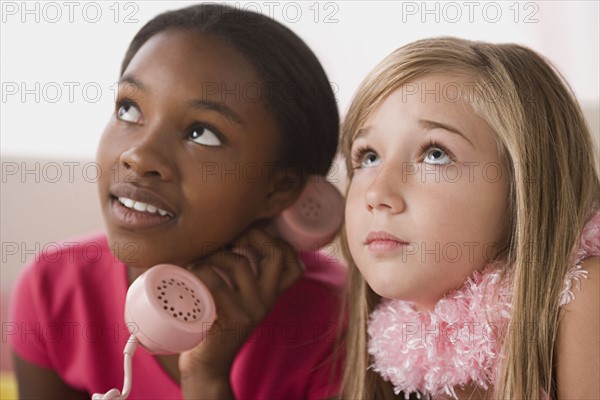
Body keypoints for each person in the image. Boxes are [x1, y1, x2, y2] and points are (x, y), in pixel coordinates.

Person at [9, 4, 346, 399]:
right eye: (129, 108)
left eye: (202, 133)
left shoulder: (337, 328)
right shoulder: (55, 288)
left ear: (278, 189)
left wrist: (206, 378)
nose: (138, 156)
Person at [339, 37, 599, 399]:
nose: (377, 194)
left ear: (524, 184)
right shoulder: (400, 346)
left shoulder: (584, 294)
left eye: (435, 154)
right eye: (368, 157)